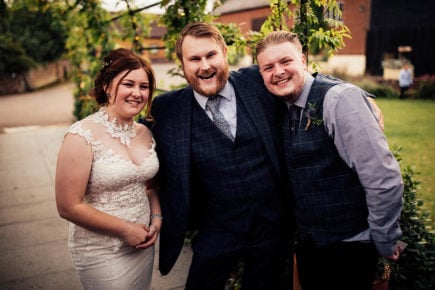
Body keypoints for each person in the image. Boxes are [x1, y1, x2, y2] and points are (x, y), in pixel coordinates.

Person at [144, 22, 292, 290]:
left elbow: (304, 79)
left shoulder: (257, 82)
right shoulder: (167, 109)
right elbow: (130, 131)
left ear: (224, 52)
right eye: (194, 59)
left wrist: (359, 96)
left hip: (272, 226)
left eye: (211, 55)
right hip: (217, 229)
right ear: (183, 64)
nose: (204, 66)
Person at [255, 31, 404, 290]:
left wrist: (384, 240)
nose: (277, 71)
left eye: (285, 62)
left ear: (303, 60)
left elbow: (384, 179)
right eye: (268, 67)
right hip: (310, 246)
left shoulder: (340, 100)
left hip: (350, 247)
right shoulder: (285, 104)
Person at [55, 48, 161, 290]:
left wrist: (156, 218)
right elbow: (68, 206)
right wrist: (125, 229)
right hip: (100, 250)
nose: (137, 93)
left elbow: (150, 185)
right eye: (128, 84)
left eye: (144, 87)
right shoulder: (81, 136)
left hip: (143, 244)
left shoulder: (146, 132)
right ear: (106, 86)